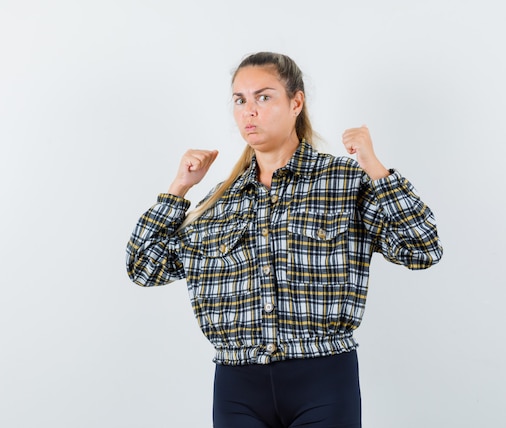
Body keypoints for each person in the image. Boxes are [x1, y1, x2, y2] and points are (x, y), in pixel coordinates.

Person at [125, 51, 442, 428]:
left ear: (296, 102)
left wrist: (374, 166)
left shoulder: (343, 181)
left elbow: (423, 248)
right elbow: (143, 268)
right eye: (240, 100)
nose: (249, 111)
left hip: (324, 381)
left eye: (264, 97)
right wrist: (178, 189)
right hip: (236, 387)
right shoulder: (219, 199)